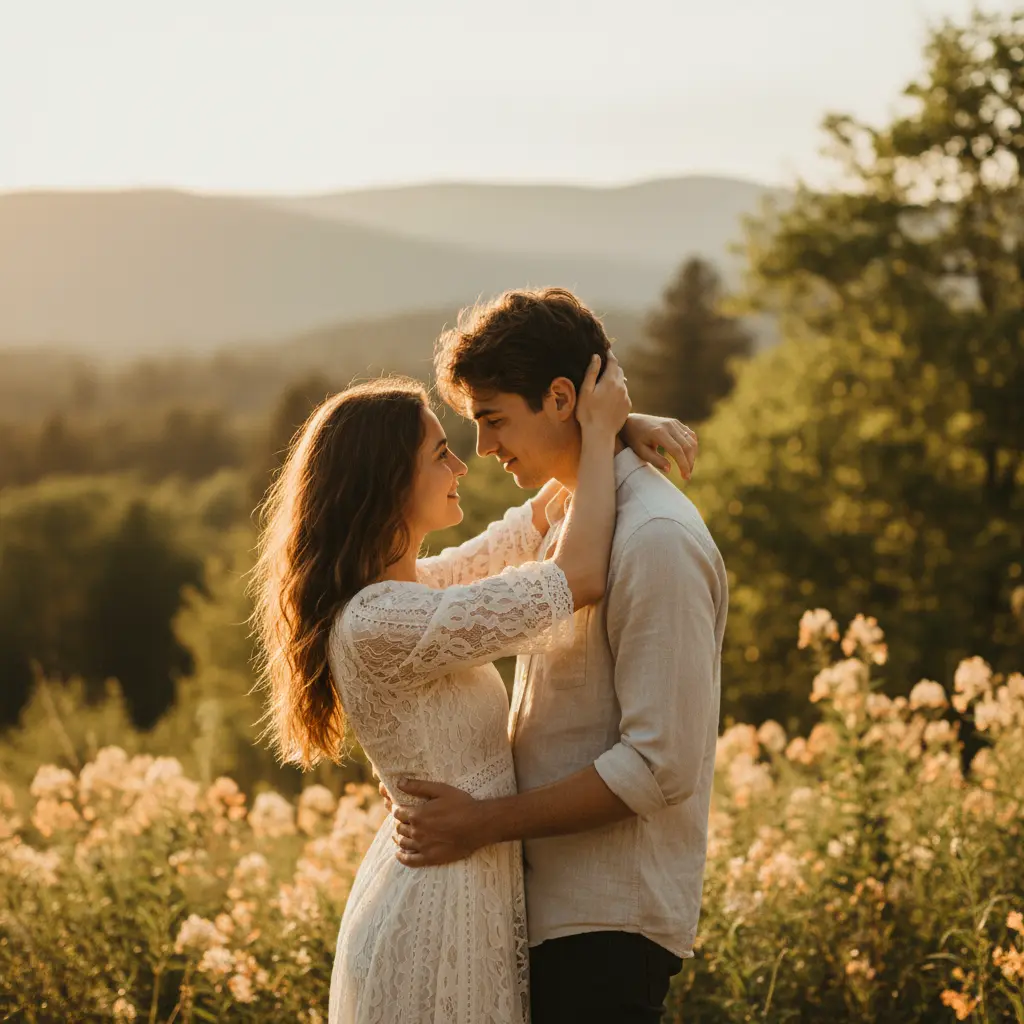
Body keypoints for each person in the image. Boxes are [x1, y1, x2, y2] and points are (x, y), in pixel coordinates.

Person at [250, 352, 693, 1024]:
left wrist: (612, 429)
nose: (463, 466)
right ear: (387, 481)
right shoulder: (382, 620)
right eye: (440, 455)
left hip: (469, 890)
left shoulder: (410, 592)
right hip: (434, 910)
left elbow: (529, 527)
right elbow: (578, 578)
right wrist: (600, 435)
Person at [390, 288, 728, 1024]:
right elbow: (440, 577)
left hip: (609, 923)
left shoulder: (655, 541)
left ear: (561, 396)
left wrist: (485, 821)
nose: (482, 448)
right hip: (552, 916)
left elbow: (658, 764)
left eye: (492, 419)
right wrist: (610, 428)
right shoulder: (575, 515)